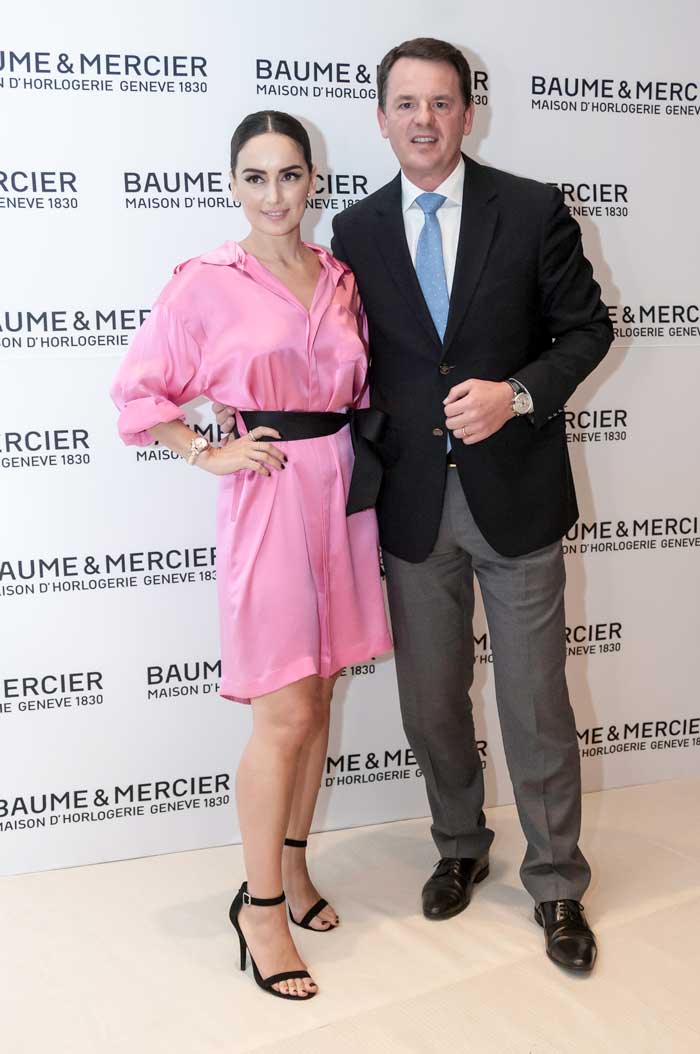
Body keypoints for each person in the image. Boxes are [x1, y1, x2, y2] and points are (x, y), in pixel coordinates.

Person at [219, 38, 611, 973]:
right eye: (406, 104)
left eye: (440, 103)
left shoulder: (531, 208)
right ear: (382, 118)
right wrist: (231, 430)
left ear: (468, 112)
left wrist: (516, 394)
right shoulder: (352, 236)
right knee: (431, 704)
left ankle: (557, 882)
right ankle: (459, 845)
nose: (424, 121)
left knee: (534, 701)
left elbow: (588, 329)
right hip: (407, 508)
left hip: (515, 497)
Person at [111, 110, 392, 1000]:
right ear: (233, 184)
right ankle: (260, 907)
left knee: (319, 699)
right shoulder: (204, 282)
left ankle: (296, 867)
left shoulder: (339, 277)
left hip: (342, 498)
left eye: (290, 175)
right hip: (270, 498)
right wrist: (206, 451)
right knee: (283, 713)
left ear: (313, 182)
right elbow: (140, 392)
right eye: (257, 176)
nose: (275, 194)